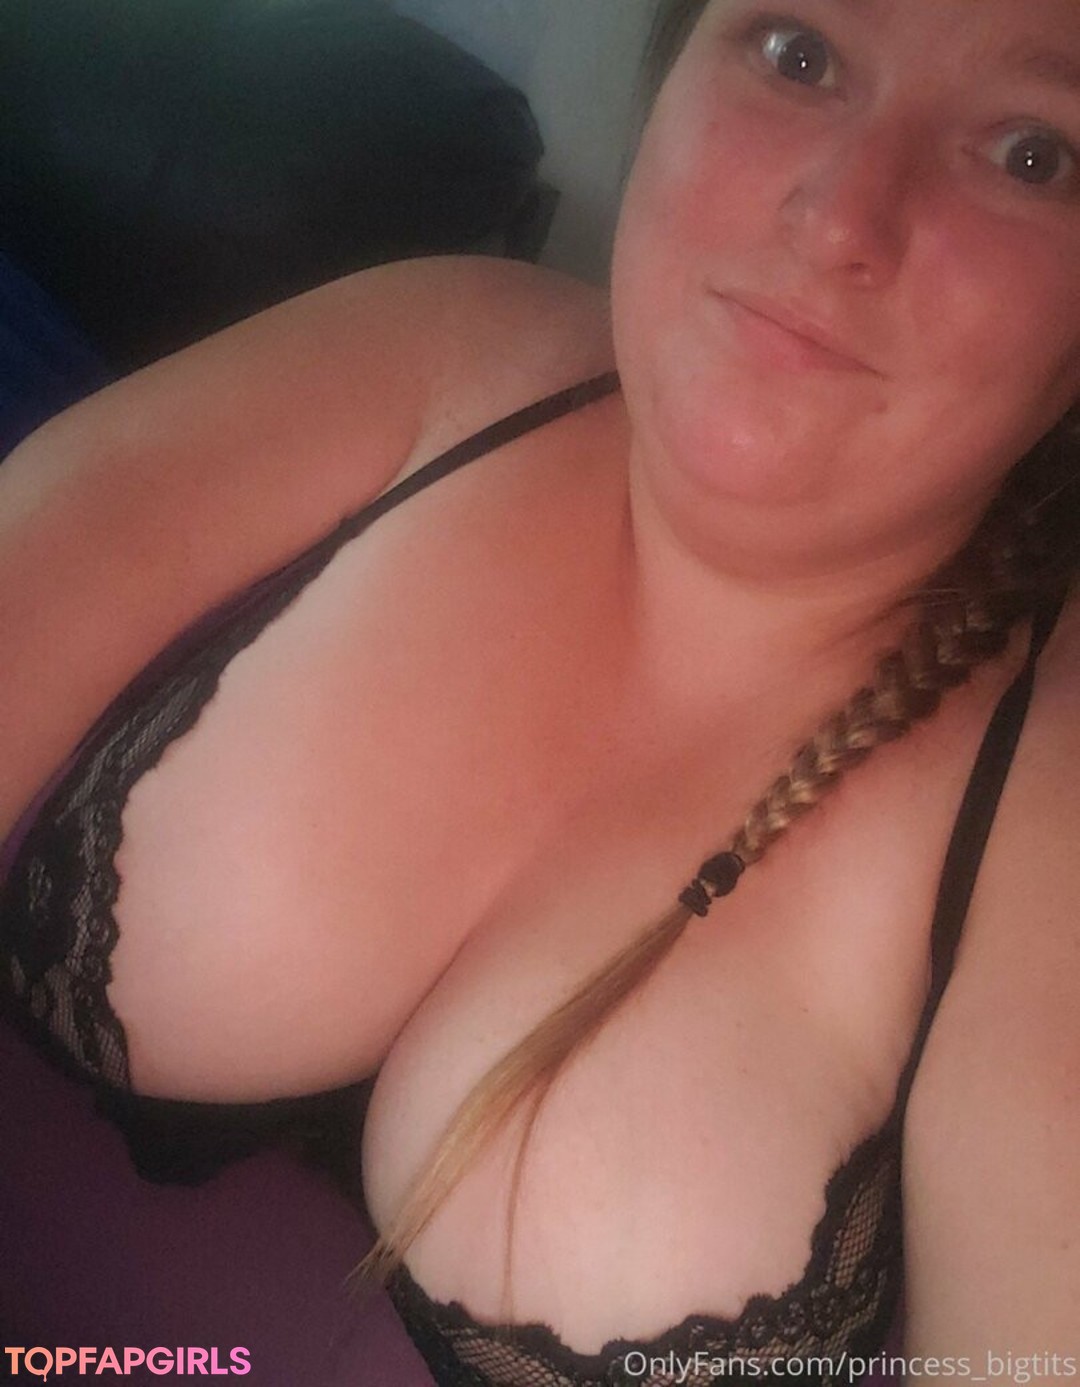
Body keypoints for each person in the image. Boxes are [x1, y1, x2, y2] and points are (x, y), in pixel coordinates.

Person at [2, 0, 1079, 1383]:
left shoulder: (1048, 806)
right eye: (798, 54)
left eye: (1033, 154)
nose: (840, 218)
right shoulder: (445, 347)